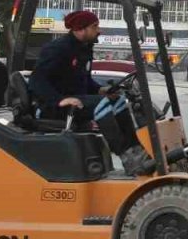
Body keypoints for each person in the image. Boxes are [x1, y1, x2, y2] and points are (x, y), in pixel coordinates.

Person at [29, 10, 154, 175]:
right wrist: (58, 100)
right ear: (80, 29)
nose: (99, 30)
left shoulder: (84, 49)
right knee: (100, 104)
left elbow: (84, 80)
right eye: (95, 26)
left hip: (76, 102)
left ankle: (135, 149)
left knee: (117, 100)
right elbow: (37, 81)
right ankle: (125, 155)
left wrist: (100, 89)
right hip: (52, 106)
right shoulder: (58, 49)